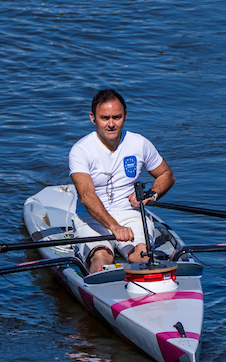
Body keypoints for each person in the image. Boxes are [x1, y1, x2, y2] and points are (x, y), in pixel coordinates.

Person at [69, 88, 175, 274]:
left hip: (130, 214)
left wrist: (151, 194)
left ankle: (153, 284)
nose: (111, 124)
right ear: (93, 118)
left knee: (142, 255)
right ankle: (100, 283)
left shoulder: (139, 143)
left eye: (116, 117)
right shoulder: (81, 150)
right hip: (91, 218)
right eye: (104, 118)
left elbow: (166, 174)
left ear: (125, 116)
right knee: (101, 257)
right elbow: (86, 195)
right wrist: (114, 227)